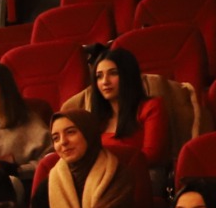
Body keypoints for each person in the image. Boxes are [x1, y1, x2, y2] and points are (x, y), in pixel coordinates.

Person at [38, 107, 153, 208]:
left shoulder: (118, 174)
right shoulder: (48, 185)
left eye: (71, 132)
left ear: (89, 133)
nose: (63, 142)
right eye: (56, 138)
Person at [59, 45, 201, 164]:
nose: (105, 81)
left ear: (127, 75)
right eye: (99, 76)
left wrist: (104, 164)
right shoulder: (96, 118)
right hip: (98, 179)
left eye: (113, 73)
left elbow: (152, 156)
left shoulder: (151, 107)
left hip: (140, 177)